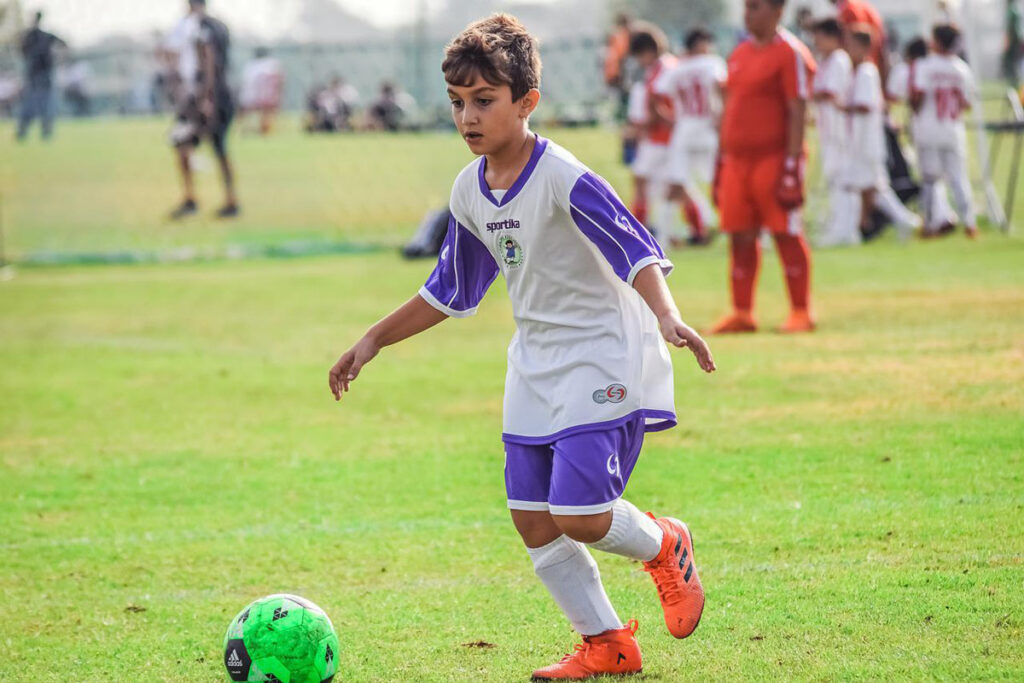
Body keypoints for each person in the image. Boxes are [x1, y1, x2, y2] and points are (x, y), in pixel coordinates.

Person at [328, 13, 716, 681]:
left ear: (526, 102)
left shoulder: (564, 176)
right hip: (534, 362)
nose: (467, 116)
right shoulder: (467, 191)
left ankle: (664, 544)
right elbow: (449, 288)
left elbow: (635, 249)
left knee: (582, 513)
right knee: (532, 518)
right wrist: (373, 339)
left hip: (600, 352)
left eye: (484, 100)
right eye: (457, 102)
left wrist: (670, 316)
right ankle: (607, 642)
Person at [710, 0, 817, 335]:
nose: (748, 14)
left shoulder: (790, 53)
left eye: (755, 7)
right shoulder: (740, 53)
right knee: (739, 234)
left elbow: (797, 109)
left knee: (785, 231)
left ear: (777, 11)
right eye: (746, 7)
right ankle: (742, 312)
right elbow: (730, 110)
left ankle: (801, 311)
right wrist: (721, 158)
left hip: (773, 158)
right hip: (737, 160)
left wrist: (790, 164)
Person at [165, 0, 239, 219]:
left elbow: (209, 59)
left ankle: (195, 199)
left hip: (206, 97)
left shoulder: (198, 26)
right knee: (210, 147)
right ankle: (226, 200)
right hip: (219, 94)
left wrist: (206, 97)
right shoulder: (220, 25)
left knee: (187, 144)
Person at [655, 26, 726, 246]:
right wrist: (721, 118)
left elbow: (657, 94)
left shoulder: (677, 67)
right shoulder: (713, 63)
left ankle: (662, 238)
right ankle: (729, 229)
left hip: (684, 128)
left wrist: (670, 118)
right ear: (699, 44)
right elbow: (722, 88)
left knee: (676, 183)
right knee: (720, 181)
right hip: (707, 127)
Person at [910, 24, 978, 239]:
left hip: (928, 127)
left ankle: (930, 225)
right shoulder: (961, 68)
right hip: (952, 128)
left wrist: (915, 109)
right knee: (959, 177)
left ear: (938, 41)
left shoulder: (925, 65)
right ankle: (970, 223)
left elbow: (918, 95)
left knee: (930, 179)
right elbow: (967, 103)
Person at [886, 37, 957, 236]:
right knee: (940, 175)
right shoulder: (941, 67)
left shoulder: (914, 70)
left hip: (924, 128)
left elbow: (894, 97)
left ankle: (936, 219)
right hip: (948, 127)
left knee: (929, 175)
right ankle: (943, 215)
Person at [625, 23, 680, 243]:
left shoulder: (663, 70)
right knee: (672, 185)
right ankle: (669, 231)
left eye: (640, 55)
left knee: (643, 181)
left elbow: (659, 104)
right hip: (667, 137)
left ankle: (638, 231)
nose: (640, 61)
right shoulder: (670, 66)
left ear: (648, 51)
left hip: (661, 138)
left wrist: (644, 126)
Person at [811, 18, 859, 247]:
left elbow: (830, 93)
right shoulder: (824, 61)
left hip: (840, 129)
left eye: (820, 37)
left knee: (842, 180)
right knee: (835, 179)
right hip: (827, 128)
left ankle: (845, 229)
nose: (816, 42)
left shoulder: (839, 60)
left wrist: (808, 94)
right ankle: (841, 227)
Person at [16, 11, 65, 141]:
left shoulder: (45, 36)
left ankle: (44, 134)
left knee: (45, 106)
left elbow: (64, 45)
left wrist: (57, 56)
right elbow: (21, 51)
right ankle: (23, 133)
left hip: (43, 76)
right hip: (33, 76)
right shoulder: (29, 36)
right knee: (30, 106)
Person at [831, 0, 888, 82]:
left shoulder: (850, 8)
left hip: (867, 61)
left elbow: (859, 37)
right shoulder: (856, 5)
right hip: (874, 59)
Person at [238, 47, 283, 135]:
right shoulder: (273, 65)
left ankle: (247, 129)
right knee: (265, 109)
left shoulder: (250, 67)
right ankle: (264, 129)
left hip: (252, 98)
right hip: (268, 99)